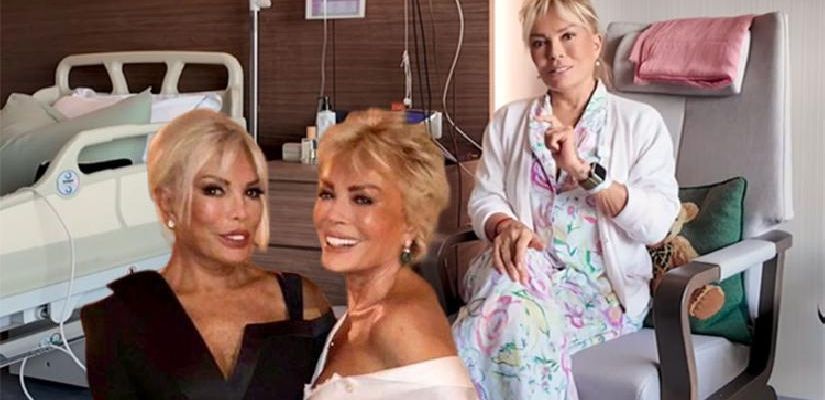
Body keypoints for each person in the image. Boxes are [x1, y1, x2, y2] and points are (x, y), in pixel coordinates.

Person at [451, 0, 680, 398]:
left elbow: (657, 224)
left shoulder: (640, 123)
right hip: (514, 270)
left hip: (598, 291)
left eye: (567, 36)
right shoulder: (509, 121)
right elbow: (485, 198)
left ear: (596, 44)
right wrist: (505, 225)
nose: (554, 53)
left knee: (502, 327)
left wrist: (584, 173)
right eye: (540, 42)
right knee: (513, 294)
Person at [81, 109, 335, 400]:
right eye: (214, 190)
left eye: (252, 192)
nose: (241, 212)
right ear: (167, 202)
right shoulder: (117, 318)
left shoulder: (303, 302)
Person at [304, 109, 478, 399]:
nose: (333, 214)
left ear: (410, 222)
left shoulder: (402, 324)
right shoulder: (358, 313)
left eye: (362, 199)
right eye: (327, 194)